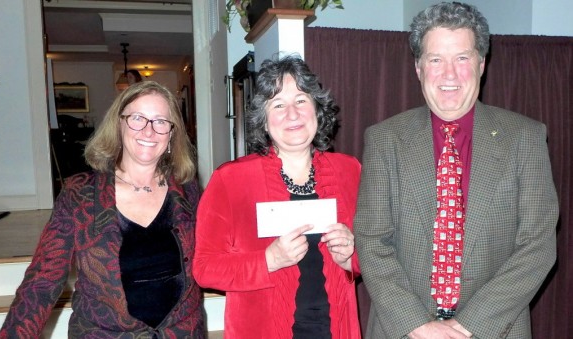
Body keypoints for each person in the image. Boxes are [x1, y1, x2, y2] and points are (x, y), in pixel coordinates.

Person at [354, 2, 559, 339]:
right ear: (418, 68)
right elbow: (372, 240)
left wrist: (468, 326)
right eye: (436, 60)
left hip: (496, 329)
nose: (449, 75)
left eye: (462, 58)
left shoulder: (525, 137)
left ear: (481, 64)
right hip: (403, 330)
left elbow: (537, 246)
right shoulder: (384, 139)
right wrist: (419, 325)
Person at [0, 81, 206, 338]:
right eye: (137, 118)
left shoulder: (189, 191)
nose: (149, 130)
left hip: (183, 332)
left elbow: (217, 256)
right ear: (119, 125)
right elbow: (42, 281)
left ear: (172, 134)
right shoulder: (80, 194)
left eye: (161, 121)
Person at [193, 56, 362, 338]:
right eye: (279, 105)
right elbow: (204, 269)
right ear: (264, 119)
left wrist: (351, 258)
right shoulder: (231, 180)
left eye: (301, 100)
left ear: (317, 110)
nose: (292, 114)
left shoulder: (349, 171)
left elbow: (375, 253)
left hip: (337, 330)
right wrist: (268, 260)